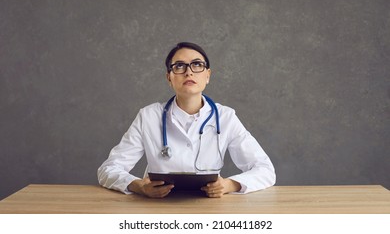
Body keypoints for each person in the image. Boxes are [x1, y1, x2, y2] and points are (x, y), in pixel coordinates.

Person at [97, 42, 276, 198]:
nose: (189, 72)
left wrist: (229, 185)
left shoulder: (225, 117)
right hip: (157, 209)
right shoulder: (148, 116)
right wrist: (139, 186)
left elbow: (265, 170)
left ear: (207, 75)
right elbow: (108, 169)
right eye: (179, 66)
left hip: (209, 209)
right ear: (169, 77)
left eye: (197, 65)